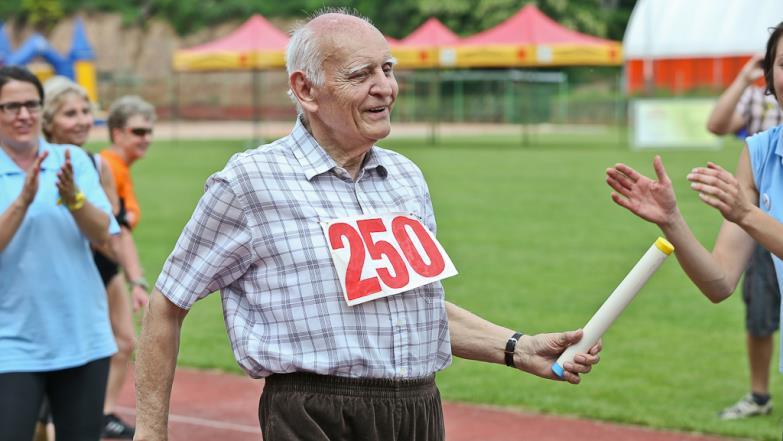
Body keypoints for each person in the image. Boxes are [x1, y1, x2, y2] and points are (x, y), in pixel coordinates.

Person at [134, 11, 601, 441]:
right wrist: (150, 433)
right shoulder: (249, 182)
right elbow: (168, 302)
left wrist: (516, 347)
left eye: (388, 69)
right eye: (361, 74)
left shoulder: (406, 178)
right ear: (305, 89)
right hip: (314, 414)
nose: (385, 88)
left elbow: (412, 304)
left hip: (417, 410)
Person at [606, 20, 783, 419]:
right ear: (769, 77)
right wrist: (671, 220)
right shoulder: (758, 154)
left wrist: (746, 214)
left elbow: (747, 218)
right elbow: (719, 281)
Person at [0, 66, 118, 441]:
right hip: (11, 340)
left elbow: (104, 235)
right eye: (11, 106)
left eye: (31, 104)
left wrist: (74, 199)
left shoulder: (73, 160)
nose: (23, 114)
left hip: (82, 336)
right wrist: (23, 201)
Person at [41, 79, 150, 439]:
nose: (82, 120)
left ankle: (99, 414)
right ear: (49, 119)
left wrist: (136, 279)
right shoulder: (34, 162)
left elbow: (115, 233)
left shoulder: (96, 164)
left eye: (86, 112)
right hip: (56, 274)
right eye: (70, 113)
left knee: (122, 342)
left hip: (99, 268)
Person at [705, 53, 783, 420]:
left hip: (753, 214)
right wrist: (742, 78)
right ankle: (759, 393)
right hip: (759, 224)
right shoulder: (761, 145)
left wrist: (744, 212)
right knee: (760, 315)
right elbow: (716, 123)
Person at [96, 95, 156, 438]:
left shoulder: (121, 169)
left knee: (122, 340)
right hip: (98, 266)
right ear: (117, 134)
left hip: (110, 267)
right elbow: (113, 230)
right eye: (137, 131)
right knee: (120, 340)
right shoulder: (107, 166)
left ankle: (100, 413)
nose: (145, 137)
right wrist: (135, 279)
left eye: (149, 131)